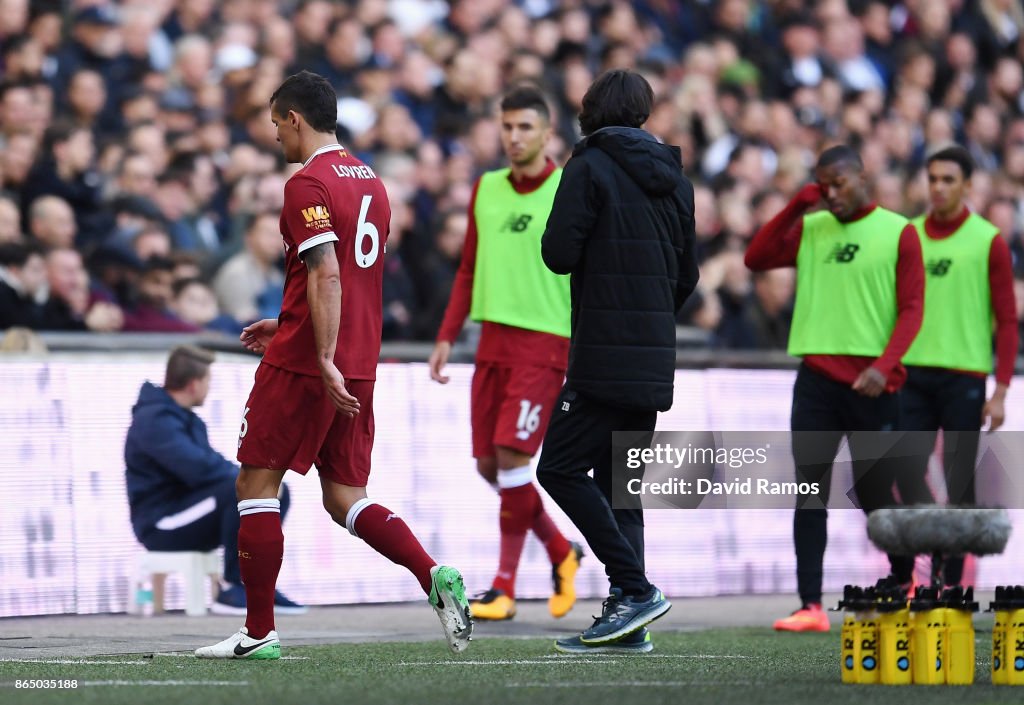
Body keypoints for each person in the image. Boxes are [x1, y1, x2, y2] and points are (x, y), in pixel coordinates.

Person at [196, 71, 471, 660]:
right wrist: (291, 318)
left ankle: (259, 631)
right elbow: (348, 274)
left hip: (310, 363)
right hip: (363, 359)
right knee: (346, 494)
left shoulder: (306, 184)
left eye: (276, 125)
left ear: (295, 119)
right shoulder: (372, 181)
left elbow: (326, 271)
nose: (275, 138)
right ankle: (432, 574)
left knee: (255, 483)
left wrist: (316, 350)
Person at [537, 69, 699, 654]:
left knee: (556, 468)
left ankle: (635, 587)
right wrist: (650, 318)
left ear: (591, 111)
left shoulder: (588, 165)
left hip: (603, 355)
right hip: (654, 360)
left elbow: (557, 253)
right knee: (619, 488)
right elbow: (689, 278)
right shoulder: (677, 180)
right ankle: (629, 618)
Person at [744, 144, 925, 632]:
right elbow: (756, 256)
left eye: (838, 184)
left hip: (873, 386)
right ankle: (810, 606)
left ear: (861, 177)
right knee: (809, 492)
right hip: (817, 383)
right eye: (823, 186)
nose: (832, 194)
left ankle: (904, 580)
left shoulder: (899, 232)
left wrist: (884, 367)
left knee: (874, 493)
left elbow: (912, 309)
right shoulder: (812, 226)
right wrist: (798, 204)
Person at [428, 84, 582, 622]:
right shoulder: (486, 188)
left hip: (544, 343)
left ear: (548, 133)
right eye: (507, 127)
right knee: (490, 465)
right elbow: (469, 265)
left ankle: (504, 587)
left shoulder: (569, 187)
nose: (514, 137)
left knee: (516, 460)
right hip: (490, 341)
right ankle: (562, 552)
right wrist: (448, 333)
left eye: (525, 128)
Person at [895, 144, 1018, 586]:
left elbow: (1007, 320)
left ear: (967, 186)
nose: (939, 187)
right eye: (932, 178)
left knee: (959, 482)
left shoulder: (988, 242)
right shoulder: (906, 234)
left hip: (964, 377)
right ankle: (925, 561)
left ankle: (949, 583)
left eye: (949, 179)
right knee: (905, 471)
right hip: (911, 375)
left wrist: (1000, 390)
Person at [123, 345, 305, 616]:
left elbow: (207, 467)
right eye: (208, 380)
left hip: (189, 513)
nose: (210, 387)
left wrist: (256, 480)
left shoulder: (186, 419)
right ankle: (234, 587)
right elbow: (196, 468)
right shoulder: (154, 421)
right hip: (160, 525)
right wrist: (247, 479)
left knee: (276, 490)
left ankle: (259, 585)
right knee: (238, 490)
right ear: (194, 385)